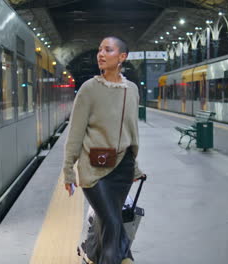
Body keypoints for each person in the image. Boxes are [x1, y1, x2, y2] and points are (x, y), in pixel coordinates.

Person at [62, 36, 144, 264]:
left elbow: (131, 132)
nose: (100, 53)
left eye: (108, 50)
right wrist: (69, 170)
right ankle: (123, 258)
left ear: (122, 57)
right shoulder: (89, 89)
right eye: (99, 49)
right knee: (113, 223)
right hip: (94, 170)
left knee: (109, 223)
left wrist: (134, 166)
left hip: (123, 169)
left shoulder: (132, 90)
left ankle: (91, 253)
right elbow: (75, 133)